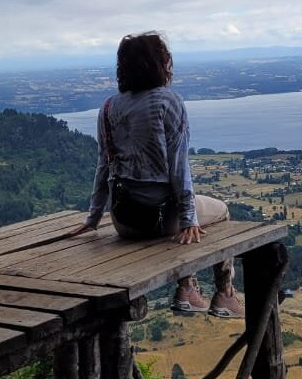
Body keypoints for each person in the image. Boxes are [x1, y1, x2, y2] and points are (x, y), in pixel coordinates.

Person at [70, 32, 243, 318]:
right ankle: (222, 294)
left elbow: (103, 165)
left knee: (187, 218)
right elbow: (179, 167)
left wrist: (92, 219)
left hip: (124, 221)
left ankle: (188, 288)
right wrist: (188, 218)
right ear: (161, 64)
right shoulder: (168, 101)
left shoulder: (109, 107)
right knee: (222, 211)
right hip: (162, 219)